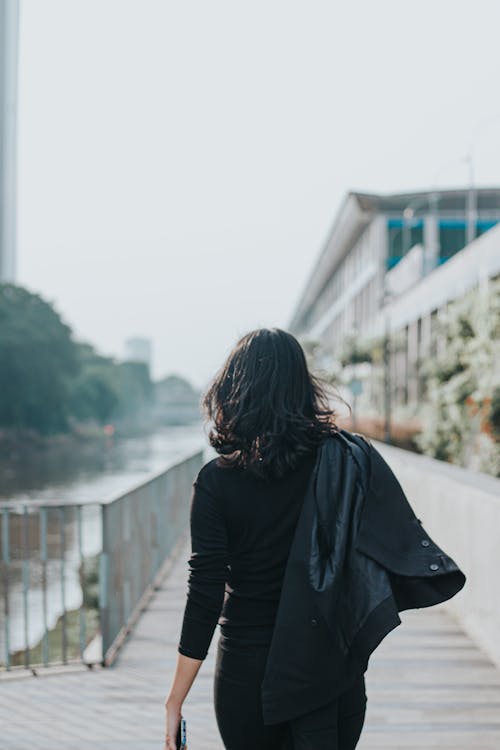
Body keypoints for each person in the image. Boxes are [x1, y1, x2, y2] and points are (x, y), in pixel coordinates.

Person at [164, 327, 368, 750]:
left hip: (249, 669)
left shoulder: (217, 482)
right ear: (302, 388)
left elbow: (205, 595)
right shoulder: (343, 464)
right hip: (330, 662)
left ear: (233, 389)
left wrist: (175, 700)